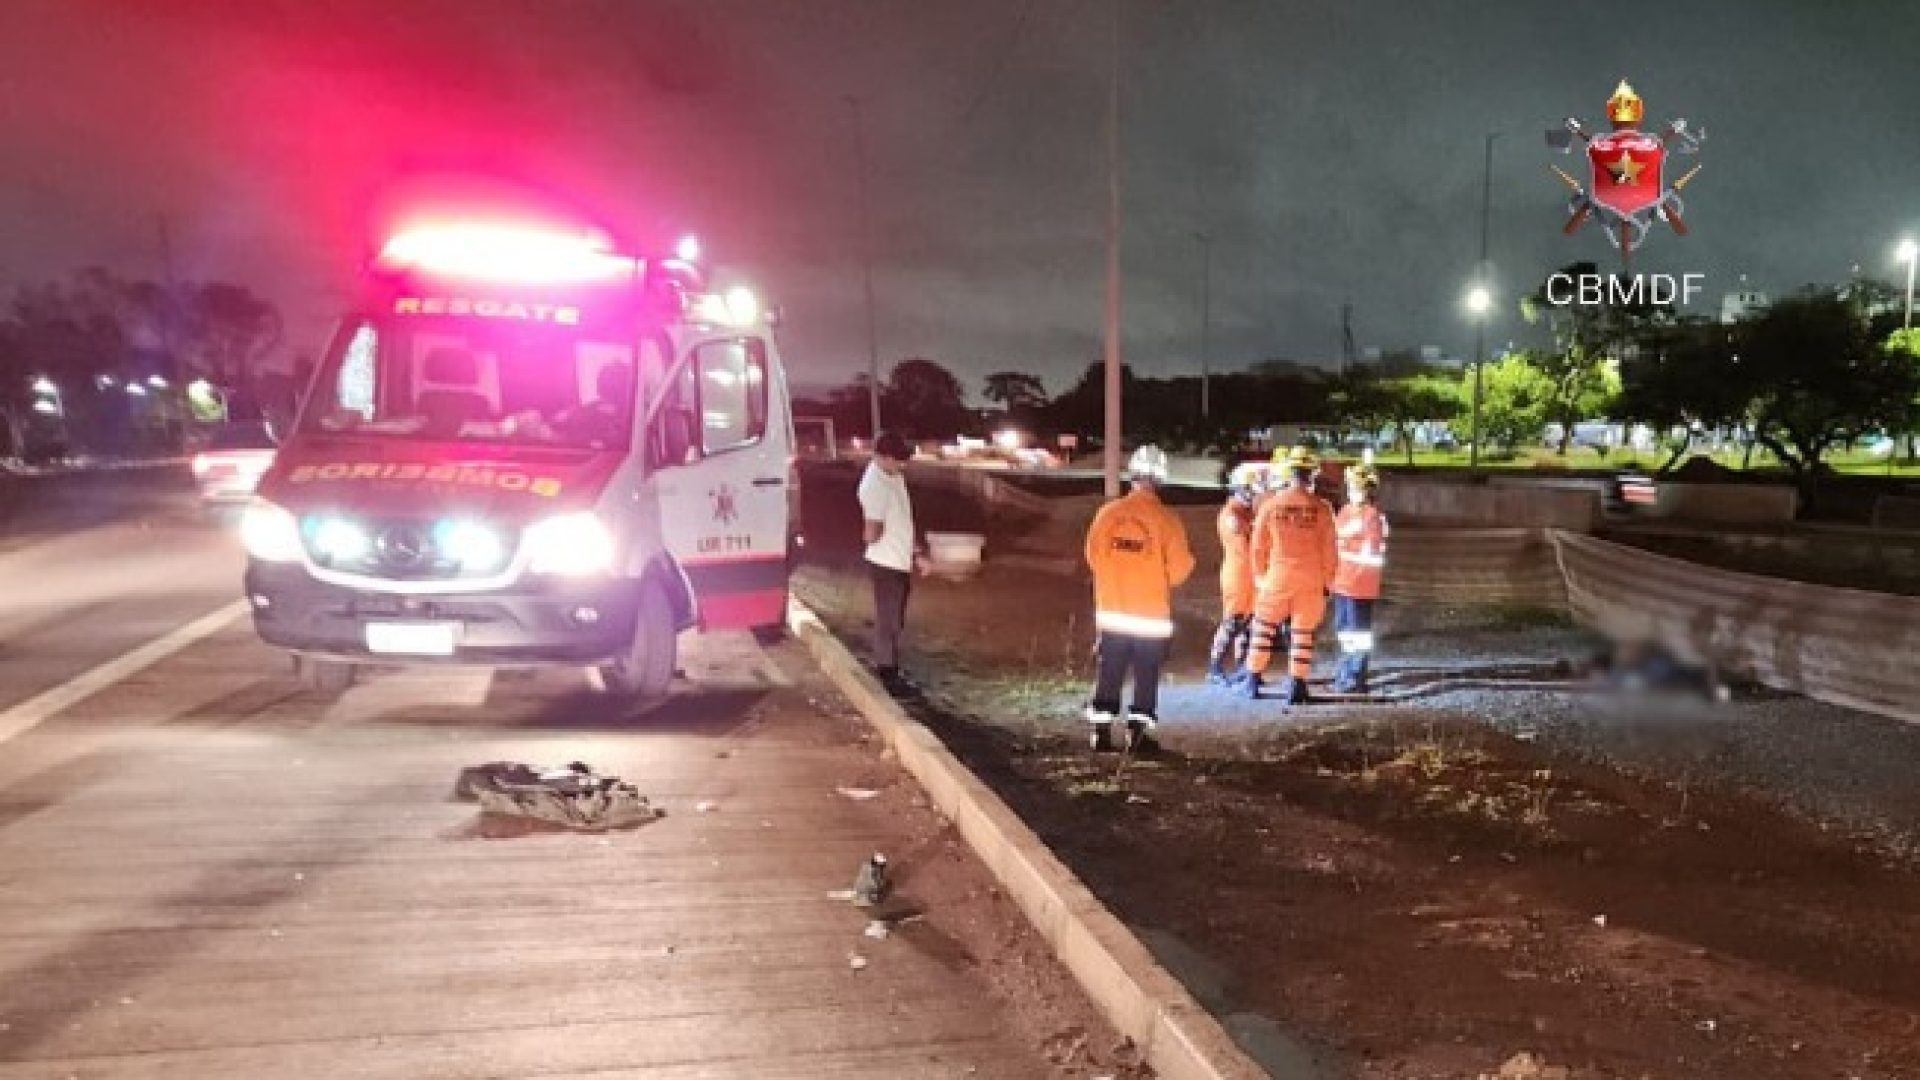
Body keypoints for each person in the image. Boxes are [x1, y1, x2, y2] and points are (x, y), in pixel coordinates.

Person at [1083, 445, 1195, 753]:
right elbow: (1179, 571)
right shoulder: (1167, 521)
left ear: (1131, 475)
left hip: (1112, 611)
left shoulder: (1107, 515)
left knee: (1109, 671)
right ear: (1161, 479)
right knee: (1146, 676)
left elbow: (1093, 557)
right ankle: (1138, 734)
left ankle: (1101, 732)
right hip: (1150, 617)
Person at [1238, 446, 1338, 704]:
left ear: (1289, 473)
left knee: (1263, 629)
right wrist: (1327, 582)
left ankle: (1252, 679)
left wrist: (1260, 577)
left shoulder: (1271, 506)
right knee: (1302, 633)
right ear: (1311, 475)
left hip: (1277, 577)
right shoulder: (1323, 509)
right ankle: (1297, 684)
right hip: (1311, 579)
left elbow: (1258, 547)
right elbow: (1330, 550)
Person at [858, 432, 926, 692]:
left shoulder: (893, 477)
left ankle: (890, 666)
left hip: (898, 560)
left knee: (894, 618)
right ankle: (887, 674)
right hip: (885, 563)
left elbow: (904, 520)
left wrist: (916, 553)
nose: (903, 465)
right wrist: (872, 535)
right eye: (898, 460)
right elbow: (871, 532)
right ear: (883, 457)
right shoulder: (873, 486)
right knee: (889, 621)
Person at [1330, 463, 1388, 694]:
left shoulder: (1373, 516)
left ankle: (1357, 677)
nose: (1353, 491)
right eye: (1352, 487)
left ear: (1368, 491)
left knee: (1359, 633)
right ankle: (1346, 670)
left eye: (1358, 487)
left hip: (1360, 584)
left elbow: (1371, 552)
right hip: (1342, 582)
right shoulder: (1344, 512)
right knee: (1344, 630)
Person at [1206, 462, 1261, 684]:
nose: (1252, 494)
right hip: (1237, 574)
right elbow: (1245, 547)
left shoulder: (1246, 513)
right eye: (1249, 489)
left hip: (1249, 574)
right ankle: (1214, 667)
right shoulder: (1231, 515)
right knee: (1232, 621)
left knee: (1247, 624)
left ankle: (1242, 667)